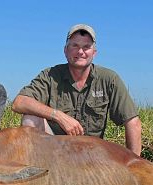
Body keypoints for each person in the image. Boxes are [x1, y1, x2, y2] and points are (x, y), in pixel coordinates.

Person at [12, 24, 142, 156]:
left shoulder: (109, 78)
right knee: (30, 118)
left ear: (94, 53)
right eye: (75, 46)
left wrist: (135, 164)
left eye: (86, 47)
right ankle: (38, 169)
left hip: (93, 153)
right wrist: (58, 116)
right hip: (55, 151)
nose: (80, 52)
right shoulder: (50, 75)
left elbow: (133, 122)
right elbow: (19, 102)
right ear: (65, 50)